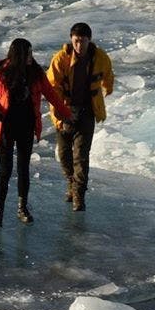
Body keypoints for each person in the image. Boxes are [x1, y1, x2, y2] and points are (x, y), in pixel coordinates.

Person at [0, 38, 73, 227]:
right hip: (6, 126)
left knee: (23, 168)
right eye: (28, 53)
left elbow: (51, 95)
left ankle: (22, 207)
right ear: (18, 55)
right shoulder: (2, 72)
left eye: (31, 53)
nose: (30, 57)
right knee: (5, 170)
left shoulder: (36, 73)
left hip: (26, 126)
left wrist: (66, 114)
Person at [46, 22, 114, 211]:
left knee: (81, 156)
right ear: (71, 40)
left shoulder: (100, 57)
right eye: (76, 41)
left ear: (89, 40)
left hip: (87, 112)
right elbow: (52, 87)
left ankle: (79, 195)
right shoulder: (61, 59)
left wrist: (107, 89)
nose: (79, 45)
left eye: (82, 41)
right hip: (65, 110)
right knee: (63, 154)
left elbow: (109, 77)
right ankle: (71, 182)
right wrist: (60, 114)